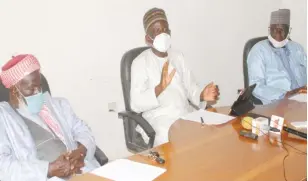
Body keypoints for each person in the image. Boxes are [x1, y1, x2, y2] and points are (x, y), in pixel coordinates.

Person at [0, 54, 100, 181]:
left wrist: (81, 151)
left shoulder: (59, 105)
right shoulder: (3, 118)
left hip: (81, 171)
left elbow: (83, 130)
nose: (38, 92)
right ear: (14, 90)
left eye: (39, 86)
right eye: (31, 89)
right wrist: (48, 169)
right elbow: (3, 166)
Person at [130, 8, 219, 146]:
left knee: (210, 134)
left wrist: (202, 95)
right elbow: (135, 104)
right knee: (175, 142)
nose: (163, 34)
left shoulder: (178, 57)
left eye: (165, 29)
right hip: (159, 120)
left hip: (185, 114)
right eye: (158, 31)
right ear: (148, 38)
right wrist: (160, 88)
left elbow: (191, 88)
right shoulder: (140, 62)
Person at [247, 9, 307, 105]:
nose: (278, 33)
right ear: (269, 29)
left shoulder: (297, 48)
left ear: (289, 30)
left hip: (303, 99)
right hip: (277, 103)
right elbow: (256, 87)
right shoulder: (258, 50)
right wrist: (285, 95)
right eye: (275, 29)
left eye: (282, 29)